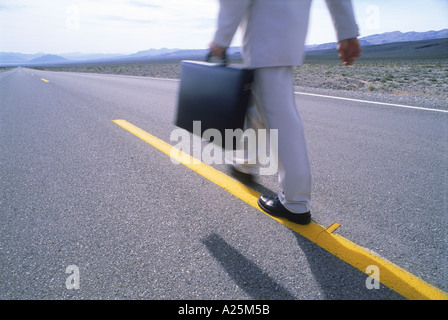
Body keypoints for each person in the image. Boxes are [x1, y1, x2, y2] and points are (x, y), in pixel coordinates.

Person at [209, 0, 362, 225]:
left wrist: (221, 38)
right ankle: (245, 162)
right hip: (288, 33)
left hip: (266, 35)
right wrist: (347, 32)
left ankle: (295, 201)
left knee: (279, 115)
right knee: (259, 106)